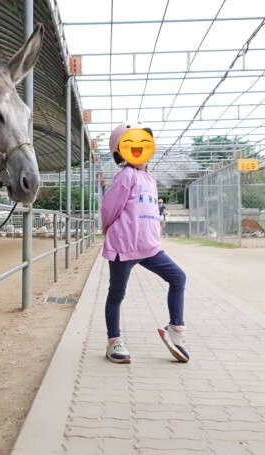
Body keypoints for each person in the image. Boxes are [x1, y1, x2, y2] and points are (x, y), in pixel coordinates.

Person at [101, 121, 188, 364]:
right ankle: (113, 341)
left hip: (149, 248)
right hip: (124, 246)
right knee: (117, 294)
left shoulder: (150, 179)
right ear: (121, 152)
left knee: (178, 277)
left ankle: (176, 329)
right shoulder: (126, 176)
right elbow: (109, 208)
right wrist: (107, 229)